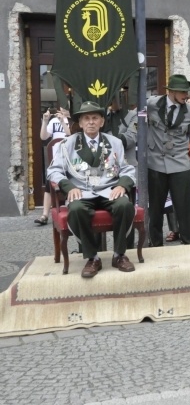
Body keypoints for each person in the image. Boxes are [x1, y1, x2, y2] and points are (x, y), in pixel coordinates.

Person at [46, 101, 136, 278]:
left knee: (124, 205)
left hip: (108, 189)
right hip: (82, 190)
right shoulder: (68, 144)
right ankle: (92, 257)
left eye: (95, 118)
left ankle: (119, 255)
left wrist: (122, 185)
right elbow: (53, 170)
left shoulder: (115, 142)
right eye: (86, 118)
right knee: (77, 209)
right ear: (80, 123)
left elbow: (127, 169)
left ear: (102, 122)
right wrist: (68, 186)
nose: (91, 122)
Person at [146, 74, 190, 247]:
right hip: (156, 162)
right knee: (155, 208)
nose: (186, 95)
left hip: (180, 163)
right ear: (172, 91)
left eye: (187, 92)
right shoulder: (151, 104)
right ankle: (154, 244)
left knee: (184, 208)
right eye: (183, 91)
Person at [35, 106, 71, 226]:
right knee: (49, 183)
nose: (61, 111)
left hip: (72, 159)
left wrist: (63, 121)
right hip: (56, 158)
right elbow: (43, 137)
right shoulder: (54, 121)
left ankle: (70, 209)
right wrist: (45, 121)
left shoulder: (75, 121)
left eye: (64, 109)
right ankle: (45, 214)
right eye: (60, 109)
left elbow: (71, 136)